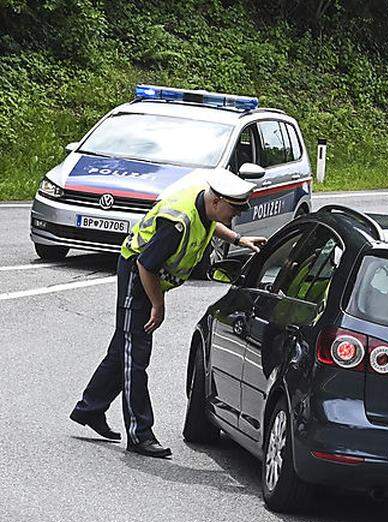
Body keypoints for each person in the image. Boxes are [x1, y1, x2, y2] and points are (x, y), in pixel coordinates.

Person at [69, 170, 267, 458]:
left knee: (122, 349)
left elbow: (211, 225)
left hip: (147, 277)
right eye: (233, 211)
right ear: (217, 202)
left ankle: (90, 409)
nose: (234, 216)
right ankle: (140, 434)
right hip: (137, 278)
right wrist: (158, 305)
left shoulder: (206, 206)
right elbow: (145, 264)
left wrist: (239, 240)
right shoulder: (177, 223)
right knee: (136, 356)